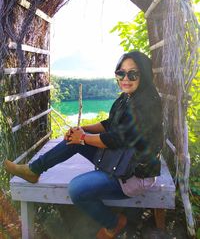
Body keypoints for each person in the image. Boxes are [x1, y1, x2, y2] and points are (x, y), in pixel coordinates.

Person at [4, 51, 163, 239]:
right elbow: (109, 124)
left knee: (77, 189)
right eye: (121, 73)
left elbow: (116, 138)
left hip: (134, 175)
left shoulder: (147, 103)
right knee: (74, 138)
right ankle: (33, 170)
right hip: (120, 159)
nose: (125, 78)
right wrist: (81, 129)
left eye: (132, 74)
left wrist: (83, 138)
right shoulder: (127, 98)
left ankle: (114, 223)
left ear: (144, 74)